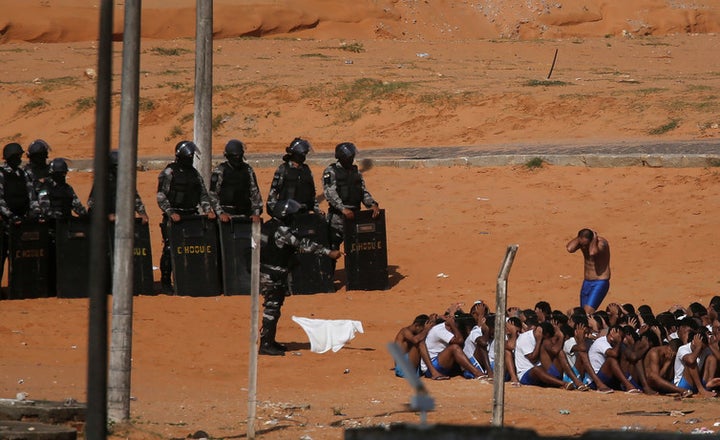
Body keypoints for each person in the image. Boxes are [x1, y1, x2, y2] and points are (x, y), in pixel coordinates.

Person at [259, 199, 342, 356]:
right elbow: (302, 244)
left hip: (267, 271)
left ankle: (269, 341)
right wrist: (328, 252)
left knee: (274, 308)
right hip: (273, 275)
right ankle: (266, 344)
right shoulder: (282, 231)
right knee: (272, 309)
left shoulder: (267, 226)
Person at [156, 140, 216, 293]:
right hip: (175, 216)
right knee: (170, 249)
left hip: (192, 216)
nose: (190, 159)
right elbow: (161, 195)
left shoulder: (194, 173)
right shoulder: (170, 172)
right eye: (188, 156)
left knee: (194, 248)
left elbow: (202, 193)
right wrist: (171, 212)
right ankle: (165, 281)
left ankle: (192, 280)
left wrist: (207, 210)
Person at [322, 142, 380, 250]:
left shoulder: (355, 172)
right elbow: (329, 193)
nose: (352, 159)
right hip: (338, 218)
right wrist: (343, 208)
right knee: (333, 248)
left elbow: (362, 191)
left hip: (355, 215)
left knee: (358, 248)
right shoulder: (331, 171)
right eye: (350, 157)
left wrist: (372, 204)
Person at [0, 142, 43, 280]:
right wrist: (10, 216)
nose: (20, 159)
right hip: (5, 224)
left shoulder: (24, 174)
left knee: (22, 257)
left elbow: (31, 195)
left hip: (22, 222)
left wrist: (35, 212)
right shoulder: (1, 174)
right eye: (17, 156)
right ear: (10, 157)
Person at [209, 139, 263, 223]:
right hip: (226, 216)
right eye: (235, 156)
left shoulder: (248, 170)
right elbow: (213, 194)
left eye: (239, 156)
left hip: (245, 215)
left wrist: (256, 213)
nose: (237, 159)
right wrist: (220, 213)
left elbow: (255, 193)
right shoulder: (220, 170)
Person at [87, 150, 149, 224]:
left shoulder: (126, 180)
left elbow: (134, 197)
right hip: (105, 224)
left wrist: (142, 213)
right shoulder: (102, 181)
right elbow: (91, 202)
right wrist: (107, 215)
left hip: (123, 220)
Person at [266, 137, 319, 215]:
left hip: (304, 213)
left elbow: (312, 193)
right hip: (288, 213)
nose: (304, 157)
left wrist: (316, 210)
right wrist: (276, 211)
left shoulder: (306, 169)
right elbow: (273, 193)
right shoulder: (284, 169)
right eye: (302, 154)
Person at [566, 228, 611, 314]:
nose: (584, 247)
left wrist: (594, 238)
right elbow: (570, 248)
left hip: (600, 282)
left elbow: (592, 252)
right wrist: (578, 238)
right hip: (587, 282)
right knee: (583, 313)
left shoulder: (601, 243)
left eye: (586, 244)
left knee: (588, 312)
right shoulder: (583, 242)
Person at [393, 313, 447, 380]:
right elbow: (415, 340)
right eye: (422, 329)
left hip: (414, 367)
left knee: (423, 339)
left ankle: (433, 370)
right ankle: (434, 372)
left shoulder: (417, 333)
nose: (422, 331)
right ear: (417, 326)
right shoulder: (404, 331)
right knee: (420, 343)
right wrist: (426, 329)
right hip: (403, 368)